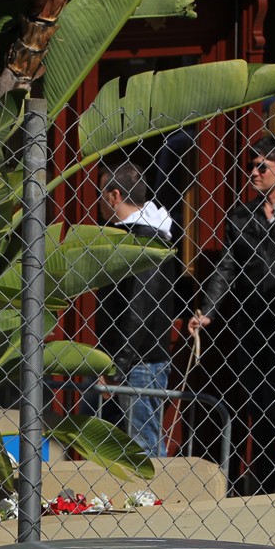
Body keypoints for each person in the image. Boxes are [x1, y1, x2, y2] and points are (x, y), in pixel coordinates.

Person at [190, 137, 275, 494]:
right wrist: (208, 311)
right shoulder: (241, 214)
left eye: (263, 166)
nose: (254, 172)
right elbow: (227, 266)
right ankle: (257, 488)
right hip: (251, 325)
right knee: (256, 407)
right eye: (251, 165)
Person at [94, 161, 177, 457]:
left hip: (139, 364)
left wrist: (118, 365)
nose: (99, 202)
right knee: (122, 447)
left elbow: (139, 310)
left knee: (144, 448)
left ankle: (156, 503)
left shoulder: (143, 239)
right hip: (133, 361)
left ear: (114, 195)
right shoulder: (139, 236)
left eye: (100, 193)